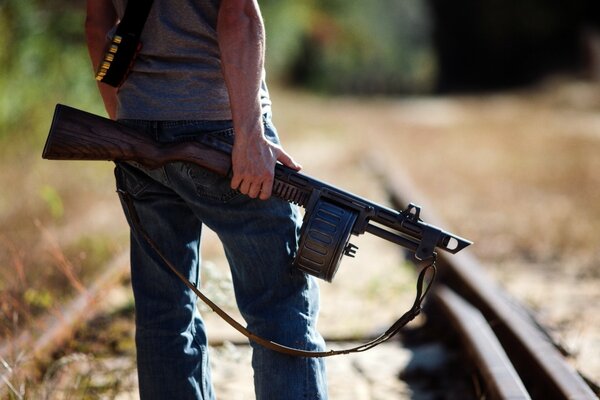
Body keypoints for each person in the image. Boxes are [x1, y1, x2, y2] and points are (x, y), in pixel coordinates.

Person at [85, 0, 328, 398]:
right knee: (279, 307)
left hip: (138, 130)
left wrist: (124, 124)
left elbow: (97, 22)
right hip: (220, 128)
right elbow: (238, 14)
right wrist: (249, 136)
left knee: (163, 314)